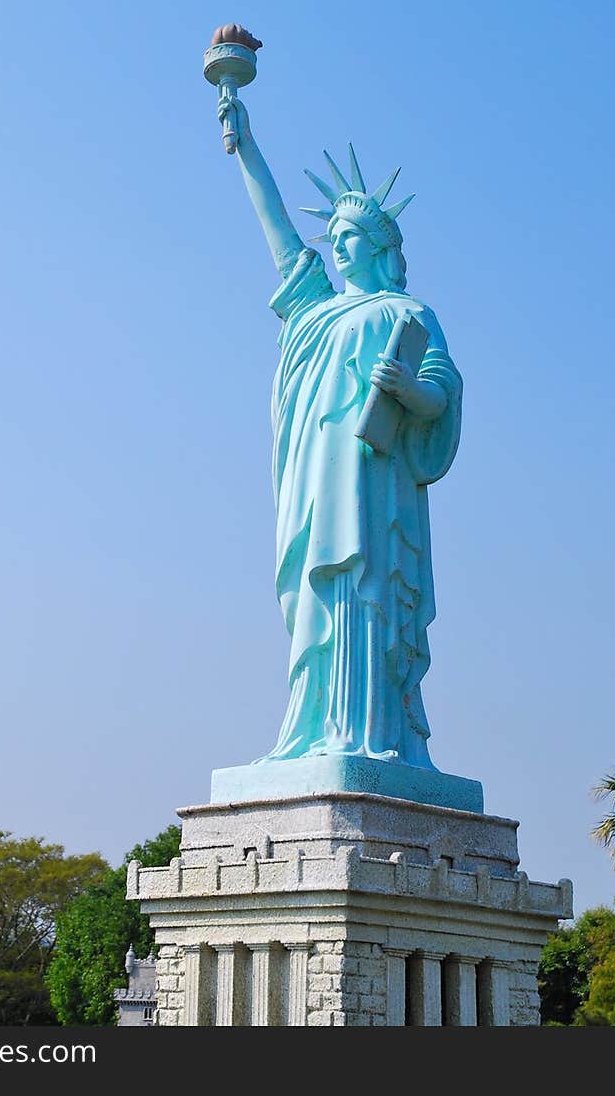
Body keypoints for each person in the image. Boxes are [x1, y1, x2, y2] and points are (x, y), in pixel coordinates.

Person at [218, 94, 462, 768]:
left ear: (382, 245)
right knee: (313, 599)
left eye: (350, 235)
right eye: (335, 237)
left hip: (375, 485)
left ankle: (373, 736)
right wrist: (248, 149)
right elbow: (279, 240)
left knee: (366, 593)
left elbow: (441, 392)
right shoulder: (316, 310)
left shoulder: (408, 313)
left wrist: (409, 391)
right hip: (314, 481)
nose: (337, 244)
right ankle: (312, 733)